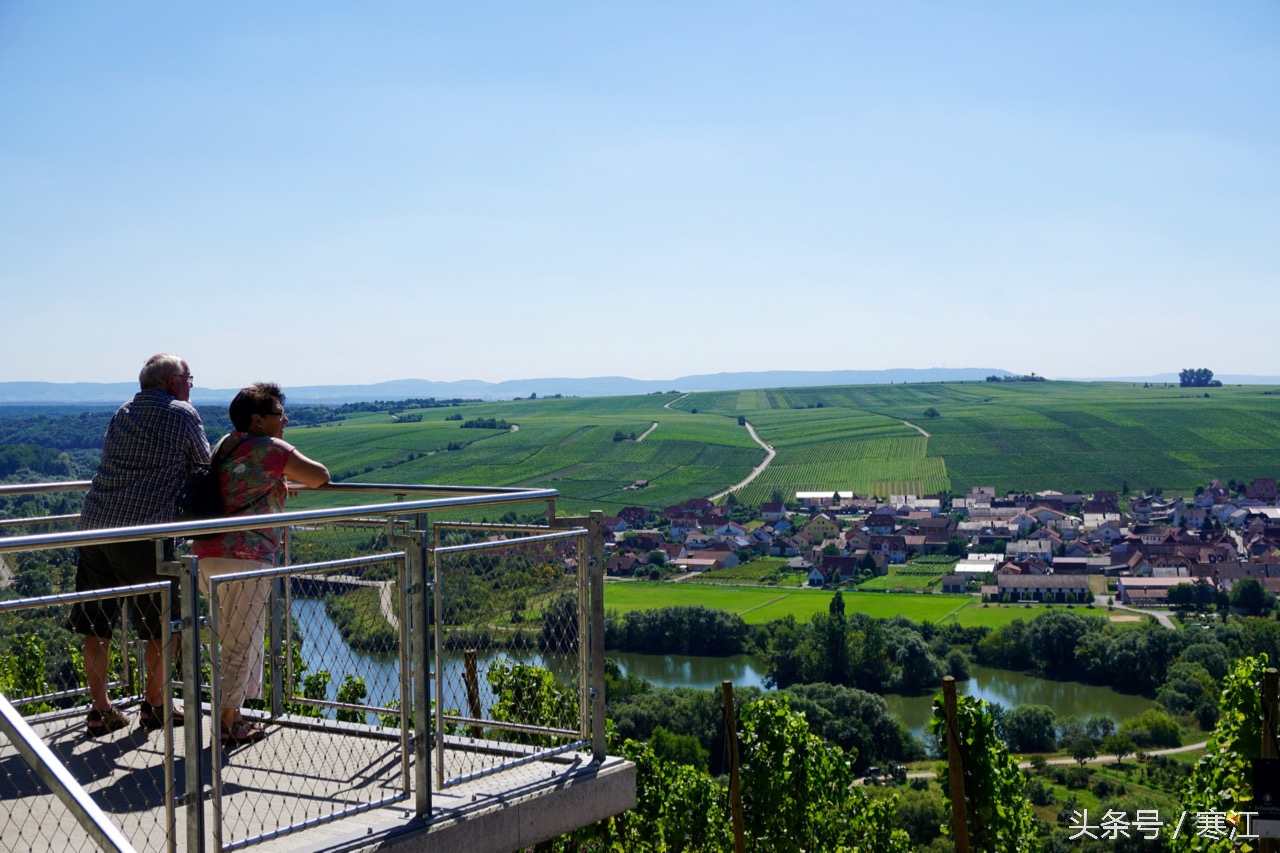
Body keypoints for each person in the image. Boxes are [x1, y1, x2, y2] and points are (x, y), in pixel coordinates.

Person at [67, 353, 212, 737]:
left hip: (95, 529)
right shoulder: (181, 413)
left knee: (96, 627)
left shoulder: (123, 411)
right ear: (171, 382)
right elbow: (205, 465)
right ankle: (156, 705)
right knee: (162, 627)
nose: (192, 385)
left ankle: (99, 711)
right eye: (189, 378)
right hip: (145, 536)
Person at [192, 382, 329, 746]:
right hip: (246, 558)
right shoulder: (270, 449)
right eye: (279, 414)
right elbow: (320, 476)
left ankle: (233, 715)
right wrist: (283, 466)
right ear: (258, 419)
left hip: (209, 553)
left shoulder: (226, 444)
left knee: (230, 639)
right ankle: (225, 724)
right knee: (242, 641)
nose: (285, 420)